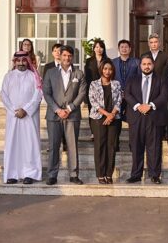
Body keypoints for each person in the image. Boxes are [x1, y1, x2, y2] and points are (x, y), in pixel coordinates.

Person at [43, 45, 87, 185]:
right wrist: (57, 109)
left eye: (69, 56)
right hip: (54, 115)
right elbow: (47, 93)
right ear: (59, 56)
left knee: (72, 146)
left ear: (72, 57)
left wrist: (69, 108)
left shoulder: (79, 74)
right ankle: (52, 175)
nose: (67, 58)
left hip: (72, 115)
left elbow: (82, 93)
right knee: (54, 146)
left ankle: (74, 174)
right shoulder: (50, 72)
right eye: (64, 55)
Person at [125, 55, 168, 184]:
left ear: (153, 65)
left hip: (154, 117)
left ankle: (155, 174)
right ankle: (136, 174)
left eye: (149, 64)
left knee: (154, 147)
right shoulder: (133, 79)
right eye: (144, 64)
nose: (146, 66)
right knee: (136, 147)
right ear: (140, 66)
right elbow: (127, 94)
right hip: (136, 118)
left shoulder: (160, 79)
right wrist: (139, 106)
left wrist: (150, 105)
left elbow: (164, 95)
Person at [1, 51, 43, 184]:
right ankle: (12, 173)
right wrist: (15, 110)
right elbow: (4, 95)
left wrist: (25, 109)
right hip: (13, 117)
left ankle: (29, 174)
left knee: (29, 145)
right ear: (15, 62)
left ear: (28, 61)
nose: (21, 63)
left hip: (29, 117)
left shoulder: (34, 76)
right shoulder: (8, 76)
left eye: (24, 60)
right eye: (18, 61)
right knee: (13, 145)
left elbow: (38, 95)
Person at [89, 59, 122, 184]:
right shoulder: (94, 84)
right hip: (98, 118)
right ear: (101, 69)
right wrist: (106, 114)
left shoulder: (116, 84)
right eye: (105, 69)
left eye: (110, 69)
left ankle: (109, 174)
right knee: (100, 146)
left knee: (111, 146)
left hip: (114, 118)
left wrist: (112, 114)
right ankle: (100, 174)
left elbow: (119, 100)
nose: (107, 71)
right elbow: (93, 102)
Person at [112, 40, 140, 151]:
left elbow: (139, 79)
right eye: (122, 47)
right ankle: (115, 145)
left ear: (130, 49)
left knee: (132, 121)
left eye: (126, 47)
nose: (124, 49)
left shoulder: (137, 62)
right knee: (116, 120)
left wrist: (129, 92)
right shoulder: (113, 62)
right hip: (116, 95)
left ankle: (133, 145)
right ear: (119, 49)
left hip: (132, 96)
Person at [85, 40, 108, 139]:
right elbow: (87, 77)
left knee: (104, 109)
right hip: (92, 89)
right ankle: (93, 132)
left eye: (101, 47)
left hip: (105, 89)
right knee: (92, 110)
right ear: (94, 49)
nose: (99, 49)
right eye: (97, 47)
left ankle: (103, 129)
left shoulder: (107, 60)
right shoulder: (89, 61)